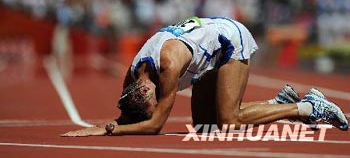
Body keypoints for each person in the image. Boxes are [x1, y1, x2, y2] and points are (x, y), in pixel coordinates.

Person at [62, 16, 348, 137]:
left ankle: (309, 107)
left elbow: (155, 125)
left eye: (155, 101)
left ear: (148, 91)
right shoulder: (134, 80)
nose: (159, 102)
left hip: (227, 41)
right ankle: (279, 103)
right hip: (205, 53)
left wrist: (112, 130)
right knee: (205, 126)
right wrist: (108, 124)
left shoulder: (168, 67)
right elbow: (136, 116)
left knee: (229, 120)